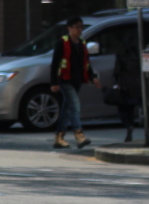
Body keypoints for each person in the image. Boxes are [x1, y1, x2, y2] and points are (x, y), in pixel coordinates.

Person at [49, 16, 101, 149]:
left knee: (67, 109)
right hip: (64, 79)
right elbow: (55, 63)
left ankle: (59, 138)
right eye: (77, 27)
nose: (80, 30)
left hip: (77, 80)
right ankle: (79, 135)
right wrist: (54, 82)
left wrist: (92, 77)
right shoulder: (62, 42)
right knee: (75, 105)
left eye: (81, 27)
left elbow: (87, 63)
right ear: (69, 28)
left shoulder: (82, 43)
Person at [112, 40, 142, 143]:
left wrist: (117, 83)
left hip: (124, 84)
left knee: (122, 109)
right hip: (136, 84)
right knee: (131, 108)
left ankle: (128, 125)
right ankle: (131, 124)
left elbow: (117, 71)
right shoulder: (138, 56)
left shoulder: (121, 55)